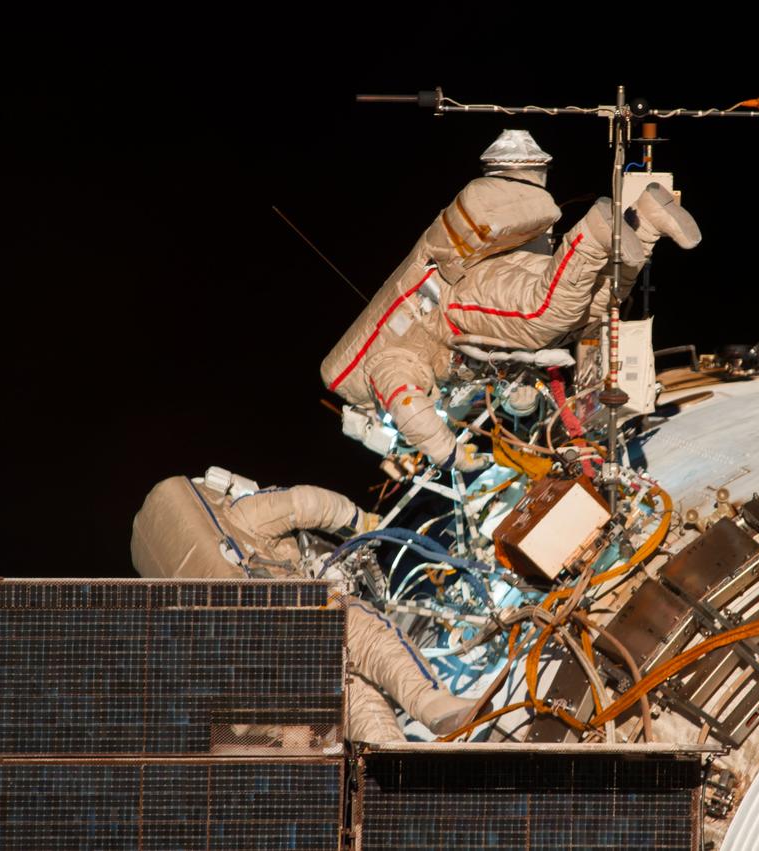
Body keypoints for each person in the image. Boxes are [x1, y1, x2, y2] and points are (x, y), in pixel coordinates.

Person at [320, 130, 700, 471]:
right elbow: (497, 374)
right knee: (595, 308)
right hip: (475, 288)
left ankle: (593, 232)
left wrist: (448, 454)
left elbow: (405, 403)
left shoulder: (375, 374)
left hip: (456, 299)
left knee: (545, 315)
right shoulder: (396, 367)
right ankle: (646, 220)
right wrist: (519, 396)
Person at [130, 466, 476, 742]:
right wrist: (360, 522)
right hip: (283, 611)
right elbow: (305, 503)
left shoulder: (174, 591)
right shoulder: (236, 514)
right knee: (367, 633)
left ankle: (389, 755)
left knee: (348, 698)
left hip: (242, 680)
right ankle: (432, 703)